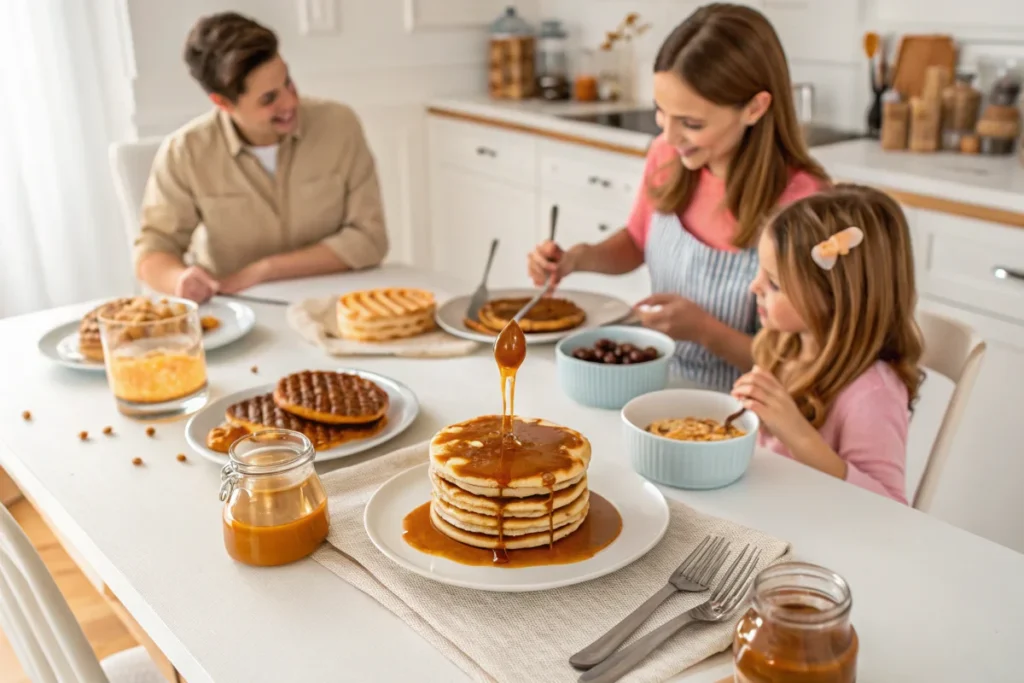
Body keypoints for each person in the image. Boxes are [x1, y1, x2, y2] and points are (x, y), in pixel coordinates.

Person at [527, 4, 828, 391]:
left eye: (691, 123)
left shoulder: (805, 204)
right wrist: (577, 258)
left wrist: (705, 331)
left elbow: (806, 368)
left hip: (747, 414)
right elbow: (637, 241)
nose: (669, 137)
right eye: (661, 112)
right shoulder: (668, 156)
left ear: (755, 107)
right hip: (659, 389)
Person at [134, 12, 388, 302]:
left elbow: (370, 238)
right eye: (269, 99)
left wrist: (264, 270)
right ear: (223, 103)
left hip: (338, 303)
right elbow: (153, 249)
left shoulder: (340, 125)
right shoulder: (185, 152)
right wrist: (180, 278)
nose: (290, 102)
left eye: (288, 82)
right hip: (240, 310)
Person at [731, 185, 924, 504]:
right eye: (760, 271)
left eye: (775, 283)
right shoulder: (783, 344)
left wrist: (799, 435)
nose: (755, 286)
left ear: (839, 299)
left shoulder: (872, 392)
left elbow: (890, 508)